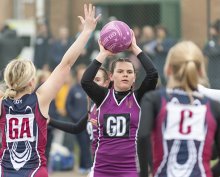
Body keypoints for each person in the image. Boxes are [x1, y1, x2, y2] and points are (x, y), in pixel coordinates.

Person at [0, 4, 100, 177]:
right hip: (35, 171)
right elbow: (66, 64)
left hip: (6, 172)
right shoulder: (40, 99)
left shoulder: (3, 102)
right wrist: (86, 32)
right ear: (32, 81)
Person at [81, 30, 158, 177]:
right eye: (120, 71)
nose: (125, 74)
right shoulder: (103, 96)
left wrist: (135, 48)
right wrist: (103, 53)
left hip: (129, 168)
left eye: (129, 72)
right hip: (101, 168)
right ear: (111, 76)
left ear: (134, 78)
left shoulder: (139, 97)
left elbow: (153, 74)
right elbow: (85, 81)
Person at [137, 41, 220, 177]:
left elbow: (143, 136)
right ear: (200, 71)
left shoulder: (154, 100)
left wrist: (146, 174)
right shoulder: (213, 106)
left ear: (168, 69)